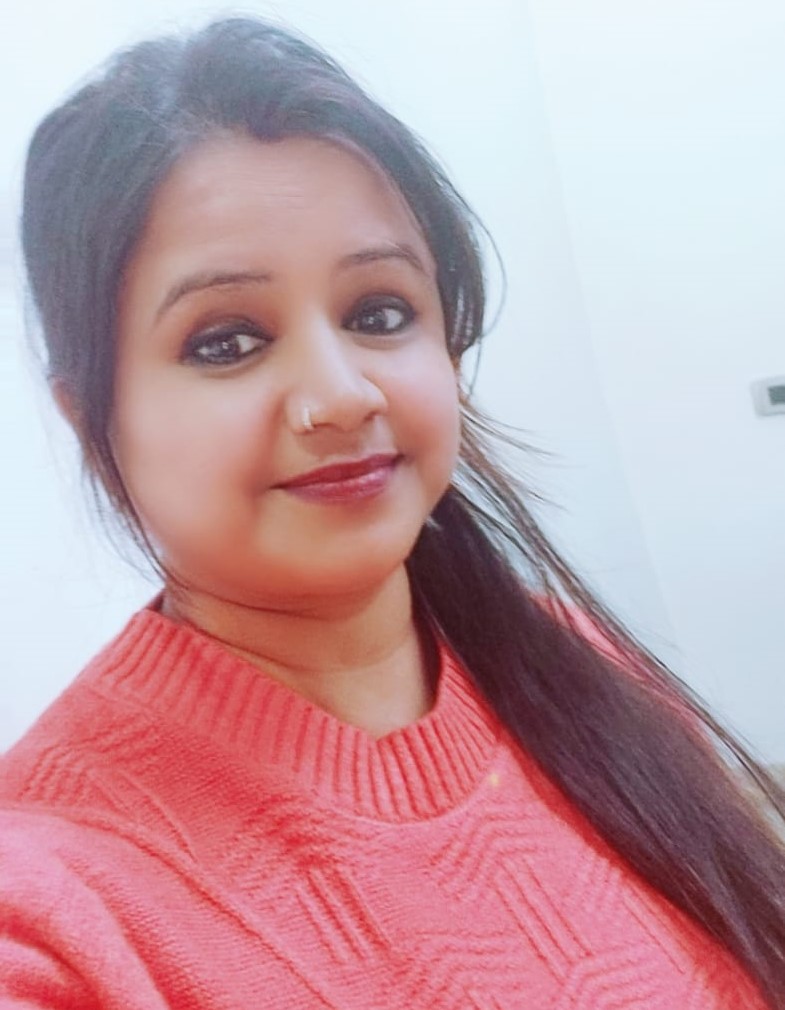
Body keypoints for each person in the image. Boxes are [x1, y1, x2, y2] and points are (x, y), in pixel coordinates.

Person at [1, 16, 783, 1009]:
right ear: (92, 420)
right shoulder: (55, 896)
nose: (340, 395)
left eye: (378, 313)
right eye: (226, 340)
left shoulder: (582, 668)